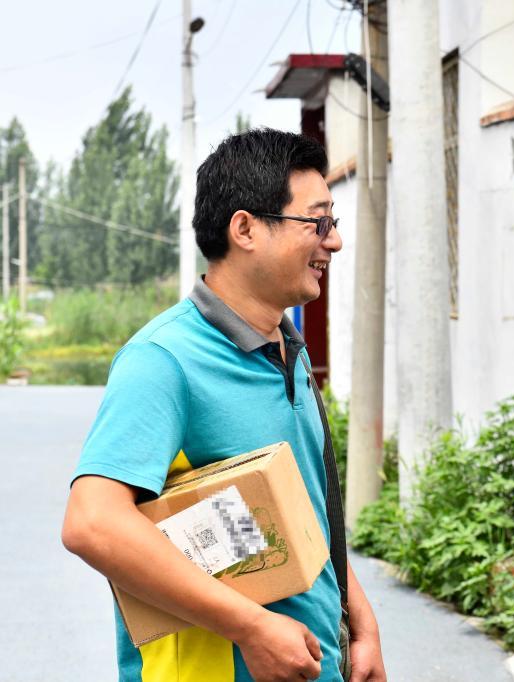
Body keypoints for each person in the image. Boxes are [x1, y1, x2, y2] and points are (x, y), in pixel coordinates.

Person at [61, 129, 385, 682]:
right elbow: (92, 523)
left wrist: (359, 624)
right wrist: (251, 627)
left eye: (333, 223)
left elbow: (304, 509)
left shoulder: (289, 350)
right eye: (317, 222)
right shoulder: (164, 360)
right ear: (245, 229)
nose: (333, 242)